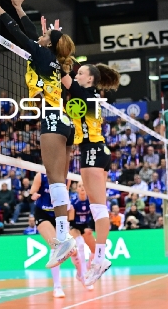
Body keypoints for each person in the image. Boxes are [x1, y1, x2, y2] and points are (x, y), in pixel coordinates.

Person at [0, 0, 77, 267]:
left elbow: (18, 32)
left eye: (45, 35)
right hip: (64, 120)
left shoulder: (42, 54)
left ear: (48, 43)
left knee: (55, 180)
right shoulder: (54, 60)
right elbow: (29, 31)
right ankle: (64, 237)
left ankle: (63, 238)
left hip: (52, 118)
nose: (40, 35)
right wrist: (18, 7)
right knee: (58, 180)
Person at [61, 62, 119, 284]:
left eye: (81, 73)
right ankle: (100, 259)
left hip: (92, 151)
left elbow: (61, 74)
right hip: (99, 150)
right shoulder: (90, 94)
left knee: (99, 209)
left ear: (90, 79)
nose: (77, 75)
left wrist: (54, 52)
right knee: (99, 208)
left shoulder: (84, 92)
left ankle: (100, 259)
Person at [30, 172, 69, 298]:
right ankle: (57, 287)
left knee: (68, 247)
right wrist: (33, 195)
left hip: (58, 213)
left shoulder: (65, 175)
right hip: (43, 213)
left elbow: (65, 194)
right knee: (55, 246)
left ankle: (81, 273)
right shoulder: (40, 175)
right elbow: (32, 192)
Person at [68, 182, 96, 291]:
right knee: (79, 244)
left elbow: (94, 217)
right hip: (74, 227)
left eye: (84, 185)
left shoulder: (90, 201)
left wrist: (90, 228)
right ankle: (84, 277)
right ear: (77, 190)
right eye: (80, 186)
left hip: (85, 226)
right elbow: (71, 221)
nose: (82, 187)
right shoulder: (74, 202)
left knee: (95, 250)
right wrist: (83, 229)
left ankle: (85, 269)